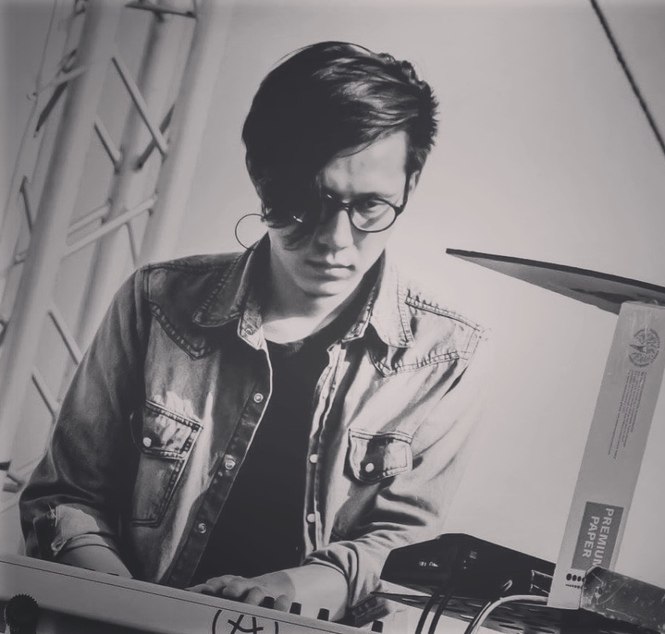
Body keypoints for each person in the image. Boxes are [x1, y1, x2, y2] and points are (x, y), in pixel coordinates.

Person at [19, 41, 490, 624]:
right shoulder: (156, 302)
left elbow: (399, 547)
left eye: (371, 206)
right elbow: (65, 499)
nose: (335, 240)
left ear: (409, 186)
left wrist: (281, 593)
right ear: (262, 179)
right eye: (307, 202)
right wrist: (135, 612)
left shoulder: (444, 355)